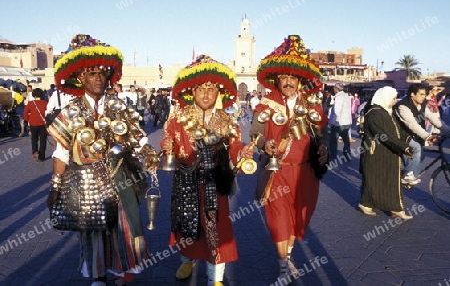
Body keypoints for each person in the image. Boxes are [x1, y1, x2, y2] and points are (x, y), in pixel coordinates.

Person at [46, 34, 160, 286]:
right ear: (80, 78)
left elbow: (137, 138)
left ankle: (123, 273)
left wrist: (149, 153)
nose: (98, 78)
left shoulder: (119, 106)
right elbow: (61, 152)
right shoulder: (69, 112)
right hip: (85, 181)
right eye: (91, 74)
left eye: (102, 73)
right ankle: (98, 277)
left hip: (120, 176)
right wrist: (55, 186)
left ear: (109, 77)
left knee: (126, 225)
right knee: (93, 231)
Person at [160, 55, 255, 286]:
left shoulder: (228, 122)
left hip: (214, 183)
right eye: (201, 89)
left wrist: (242, 154)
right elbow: (168, 145)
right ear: (192, 92)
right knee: (185, 226)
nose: (205, 94)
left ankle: (216, 280)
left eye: (211, 90)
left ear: (218, 93)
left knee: (216, 232)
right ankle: (187, 260)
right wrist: (165, 147)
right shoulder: (178, 119)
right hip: (185, 182)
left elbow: (234, 149)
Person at [249, 35, 328, 283]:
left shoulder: (313, 106)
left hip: (305, 173)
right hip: (277, 171)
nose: (288, 82)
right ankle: (282, 267)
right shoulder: (265, 106)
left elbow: (321, 134)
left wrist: (324, 148)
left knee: (297, 218)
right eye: (284, 77)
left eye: (293, 77)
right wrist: (265, 144)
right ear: (276, 80)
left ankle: (289, 256)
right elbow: (255, 134)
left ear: (300, 80)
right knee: (279, 219)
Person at [358, 86, 414, 220]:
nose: (395, 101)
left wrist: (412, 137)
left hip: (388, 151)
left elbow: (398, 130)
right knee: (375, 180)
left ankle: (393, 207)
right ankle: (367, 204)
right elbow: (383, 134)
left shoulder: (387, 112)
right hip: (376, 153)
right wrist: (403, 147)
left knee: (389, 179)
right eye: (393, 98)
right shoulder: (374, 113)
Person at [394, 83, 450, 186]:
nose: (424, 97)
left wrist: (447, 131)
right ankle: (408, 176)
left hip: (413, 134)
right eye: (421, 94)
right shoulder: (403, 106)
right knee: (416, 148)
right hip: (400, 134)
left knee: (422, 153)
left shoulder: (422, 105)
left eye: (425, 94)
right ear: (412, 94)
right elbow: (412, 124)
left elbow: (433, 118)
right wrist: (428, 136)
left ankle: (408, 174)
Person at [328, 83, 352, 161]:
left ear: (336, 88)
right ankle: (347, 155)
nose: (333, 89)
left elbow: (336, 111)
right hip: (347, 121)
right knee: (346, 139)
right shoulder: (346, 96)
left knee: (333, 139)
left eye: (334, 87)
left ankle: (333, 155)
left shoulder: (338, 97)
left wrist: (332, 122)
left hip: (339, 122)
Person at [23, 88, 48, 162]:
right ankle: (42, 157)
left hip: (33, 124)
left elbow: (25, 114)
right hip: (43, 124)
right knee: (43, 140)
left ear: (34, 95)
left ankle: (35, 151)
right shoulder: (45, 103)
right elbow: (48, 113)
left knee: (34, 139)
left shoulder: (30, 103)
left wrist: (29, 120)